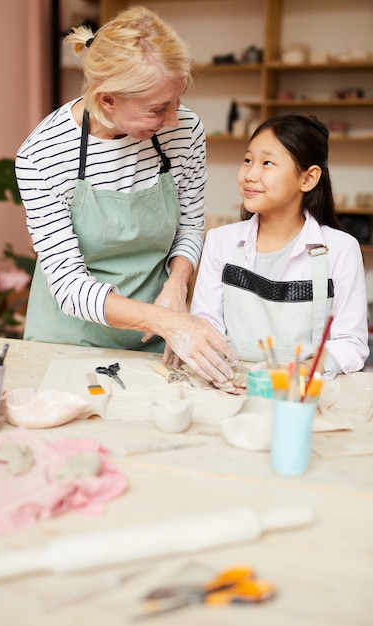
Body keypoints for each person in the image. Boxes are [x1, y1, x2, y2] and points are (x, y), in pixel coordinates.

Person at [15, 5, 235, 384]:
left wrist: (176, 285)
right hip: (69, 338)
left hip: (156, 335)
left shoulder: (184, 131)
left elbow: (190, 223)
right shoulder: (42, 155)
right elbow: (68, 286)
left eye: (177, 100)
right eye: (157, 109)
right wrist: (166, 319)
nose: (174, 119)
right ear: (107, 100)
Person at [191, 113, 369, 387]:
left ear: (308, 179)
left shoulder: (340, 249)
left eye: (267, 163)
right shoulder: (220, 241)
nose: (250, 174)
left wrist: (301, 370)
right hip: (231, 386)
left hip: (303, 392)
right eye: (248, 160)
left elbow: (351, 344)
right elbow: (206, 326)